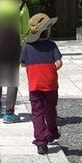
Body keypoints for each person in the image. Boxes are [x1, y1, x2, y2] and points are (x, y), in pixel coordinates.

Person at [19, 12, 62, 154]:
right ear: (46, 31)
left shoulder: (27, 47)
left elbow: (23, 64)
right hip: (50, 85)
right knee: (50, 110)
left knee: (37, 112)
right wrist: (49, 69)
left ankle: (41, 142)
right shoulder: (52, 45)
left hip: (35, 85)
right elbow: (59, 63)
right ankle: (52, 133)